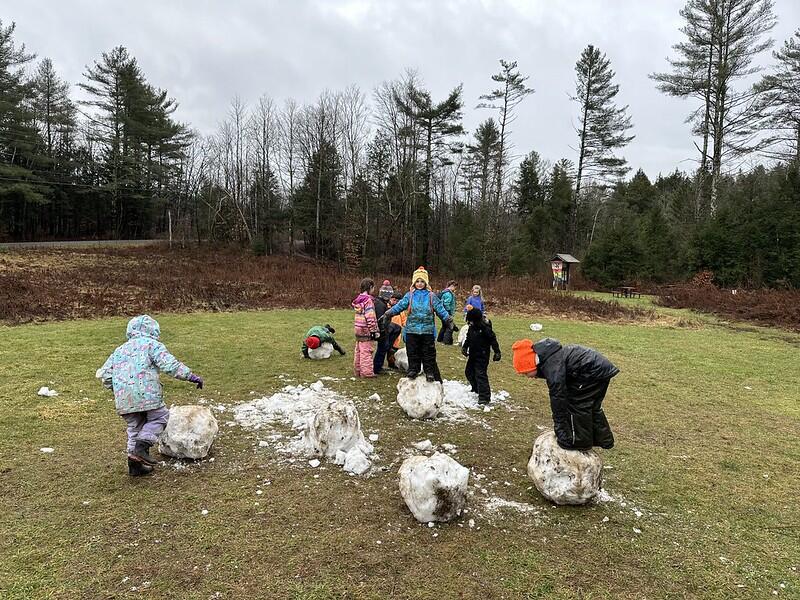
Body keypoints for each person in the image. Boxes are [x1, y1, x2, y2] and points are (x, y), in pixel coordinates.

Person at [97, 315, 204, 477]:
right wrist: (190, 376)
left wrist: (118, 388)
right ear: (154, 331)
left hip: (124, 398)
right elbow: (169, 365)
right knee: (160, 417)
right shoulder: (152, 345)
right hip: (148, 395)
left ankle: (135, 465)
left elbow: (105, 374)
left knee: (134, 428)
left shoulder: (119, 350)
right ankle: (141, 447)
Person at [512, 337, 618, 451]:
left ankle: (579, 442)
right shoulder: (548, 357)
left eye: (526, 373)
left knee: (577, 405)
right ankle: (603, 439)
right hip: (598, 370)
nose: (528, 377)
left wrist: (560, 429)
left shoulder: (552, 365)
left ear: (530, 364)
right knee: (593, 407)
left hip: (592, 373)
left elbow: (558, 397)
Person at [381, 266, 453, 382]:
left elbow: (440, 309)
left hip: (427, 330)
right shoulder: (409, 296)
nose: (419, 284)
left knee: (428, 353)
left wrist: (448, 319)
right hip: (411, 330)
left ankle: (429, 371)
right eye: (417, 281)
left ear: (426, 282)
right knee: (412, 352)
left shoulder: (431, 296)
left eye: (422, 281)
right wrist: (388, 314)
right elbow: (399, 306)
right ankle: (413, 369)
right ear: (414, 282)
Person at [461, 306, 501, 405]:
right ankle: (476, 388)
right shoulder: (472, 328)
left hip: (482, 355)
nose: (469, 323)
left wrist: (497, 352)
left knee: (480, 375)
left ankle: (484, 397)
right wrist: (465, 347)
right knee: (469, 372)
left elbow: (493, 339)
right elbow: (468, 338)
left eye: (470, 321)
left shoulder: (485, 329)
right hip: (473, 354)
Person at [352, 278, 380, 378]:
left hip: (358, 328)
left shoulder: (358, 300)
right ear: (370, 287)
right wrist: (374, 330)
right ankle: (367, 373)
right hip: (366, 329)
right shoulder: (368, 301)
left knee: (358, 350)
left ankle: (357, 370)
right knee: (366, 351)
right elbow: (370, 316)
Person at [373, 282, 402, 374]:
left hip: (386, 326)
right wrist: (382, 333)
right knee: (382, 347)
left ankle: (389, 347)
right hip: (381, 329)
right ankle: (377, 368)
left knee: (397, 328)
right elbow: (380, 320)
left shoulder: (382, 303)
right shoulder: (380, 304)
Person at [387, 291, 407, 369]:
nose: (395, 302)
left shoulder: (401, 311)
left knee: (393, 349)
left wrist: (406, 326)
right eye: (394, 300)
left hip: (397, 334)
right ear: (391, 299)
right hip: (388, 332)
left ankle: (392, 363)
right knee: (387, 348)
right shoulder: (387, 309)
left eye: (398, 301)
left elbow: (404, 321)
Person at [436, 280, 459, 345]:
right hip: (445, 312)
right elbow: (446, 304)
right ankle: (446, 342)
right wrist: (448, 313)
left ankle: (439, 339)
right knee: (449, 327)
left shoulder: (444, 292)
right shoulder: (448, 294)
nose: (455, 289)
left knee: (444, 326)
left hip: (441, 312)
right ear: (451, 286)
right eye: (455, 287)